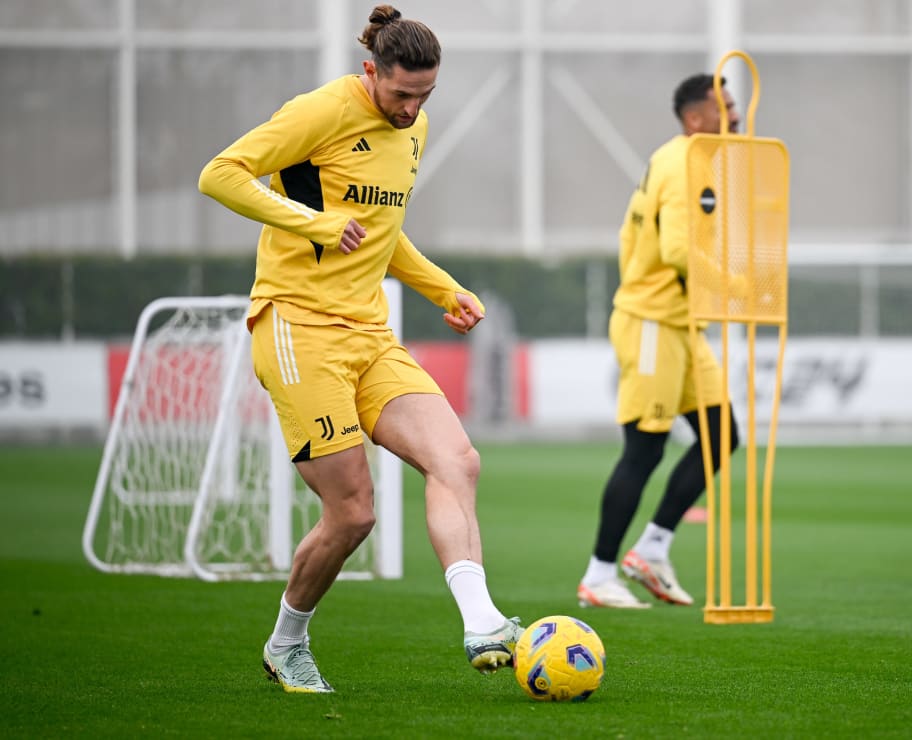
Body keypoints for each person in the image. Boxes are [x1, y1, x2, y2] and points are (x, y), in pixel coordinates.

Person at [198, 4, 521, 693]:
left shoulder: (415, 125)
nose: (411, 109)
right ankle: (287, 644)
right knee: (354, 513)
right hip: (295, 327)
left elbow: (380, 232)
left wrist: (442, 290)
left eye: (425, 95)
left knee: (457, 460)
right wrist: (310, 223)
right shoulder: (319, 112)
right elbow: (220, 174)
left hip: (369, 332)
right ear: (370, 70)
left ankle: (481, 623)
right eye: (401, 93)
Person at [576, 74, 742, 609]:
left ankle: (652, 548)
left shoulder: (689, 159)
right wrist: (739, 287)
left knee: (720, 434)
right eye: (726, 107)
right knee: (644, 450)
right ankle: (599, 575)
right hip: (650, 321)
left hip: (680, 322)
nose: (736, 116)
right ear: (696, 118)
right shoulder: (686, 163)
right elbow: (676, 250)